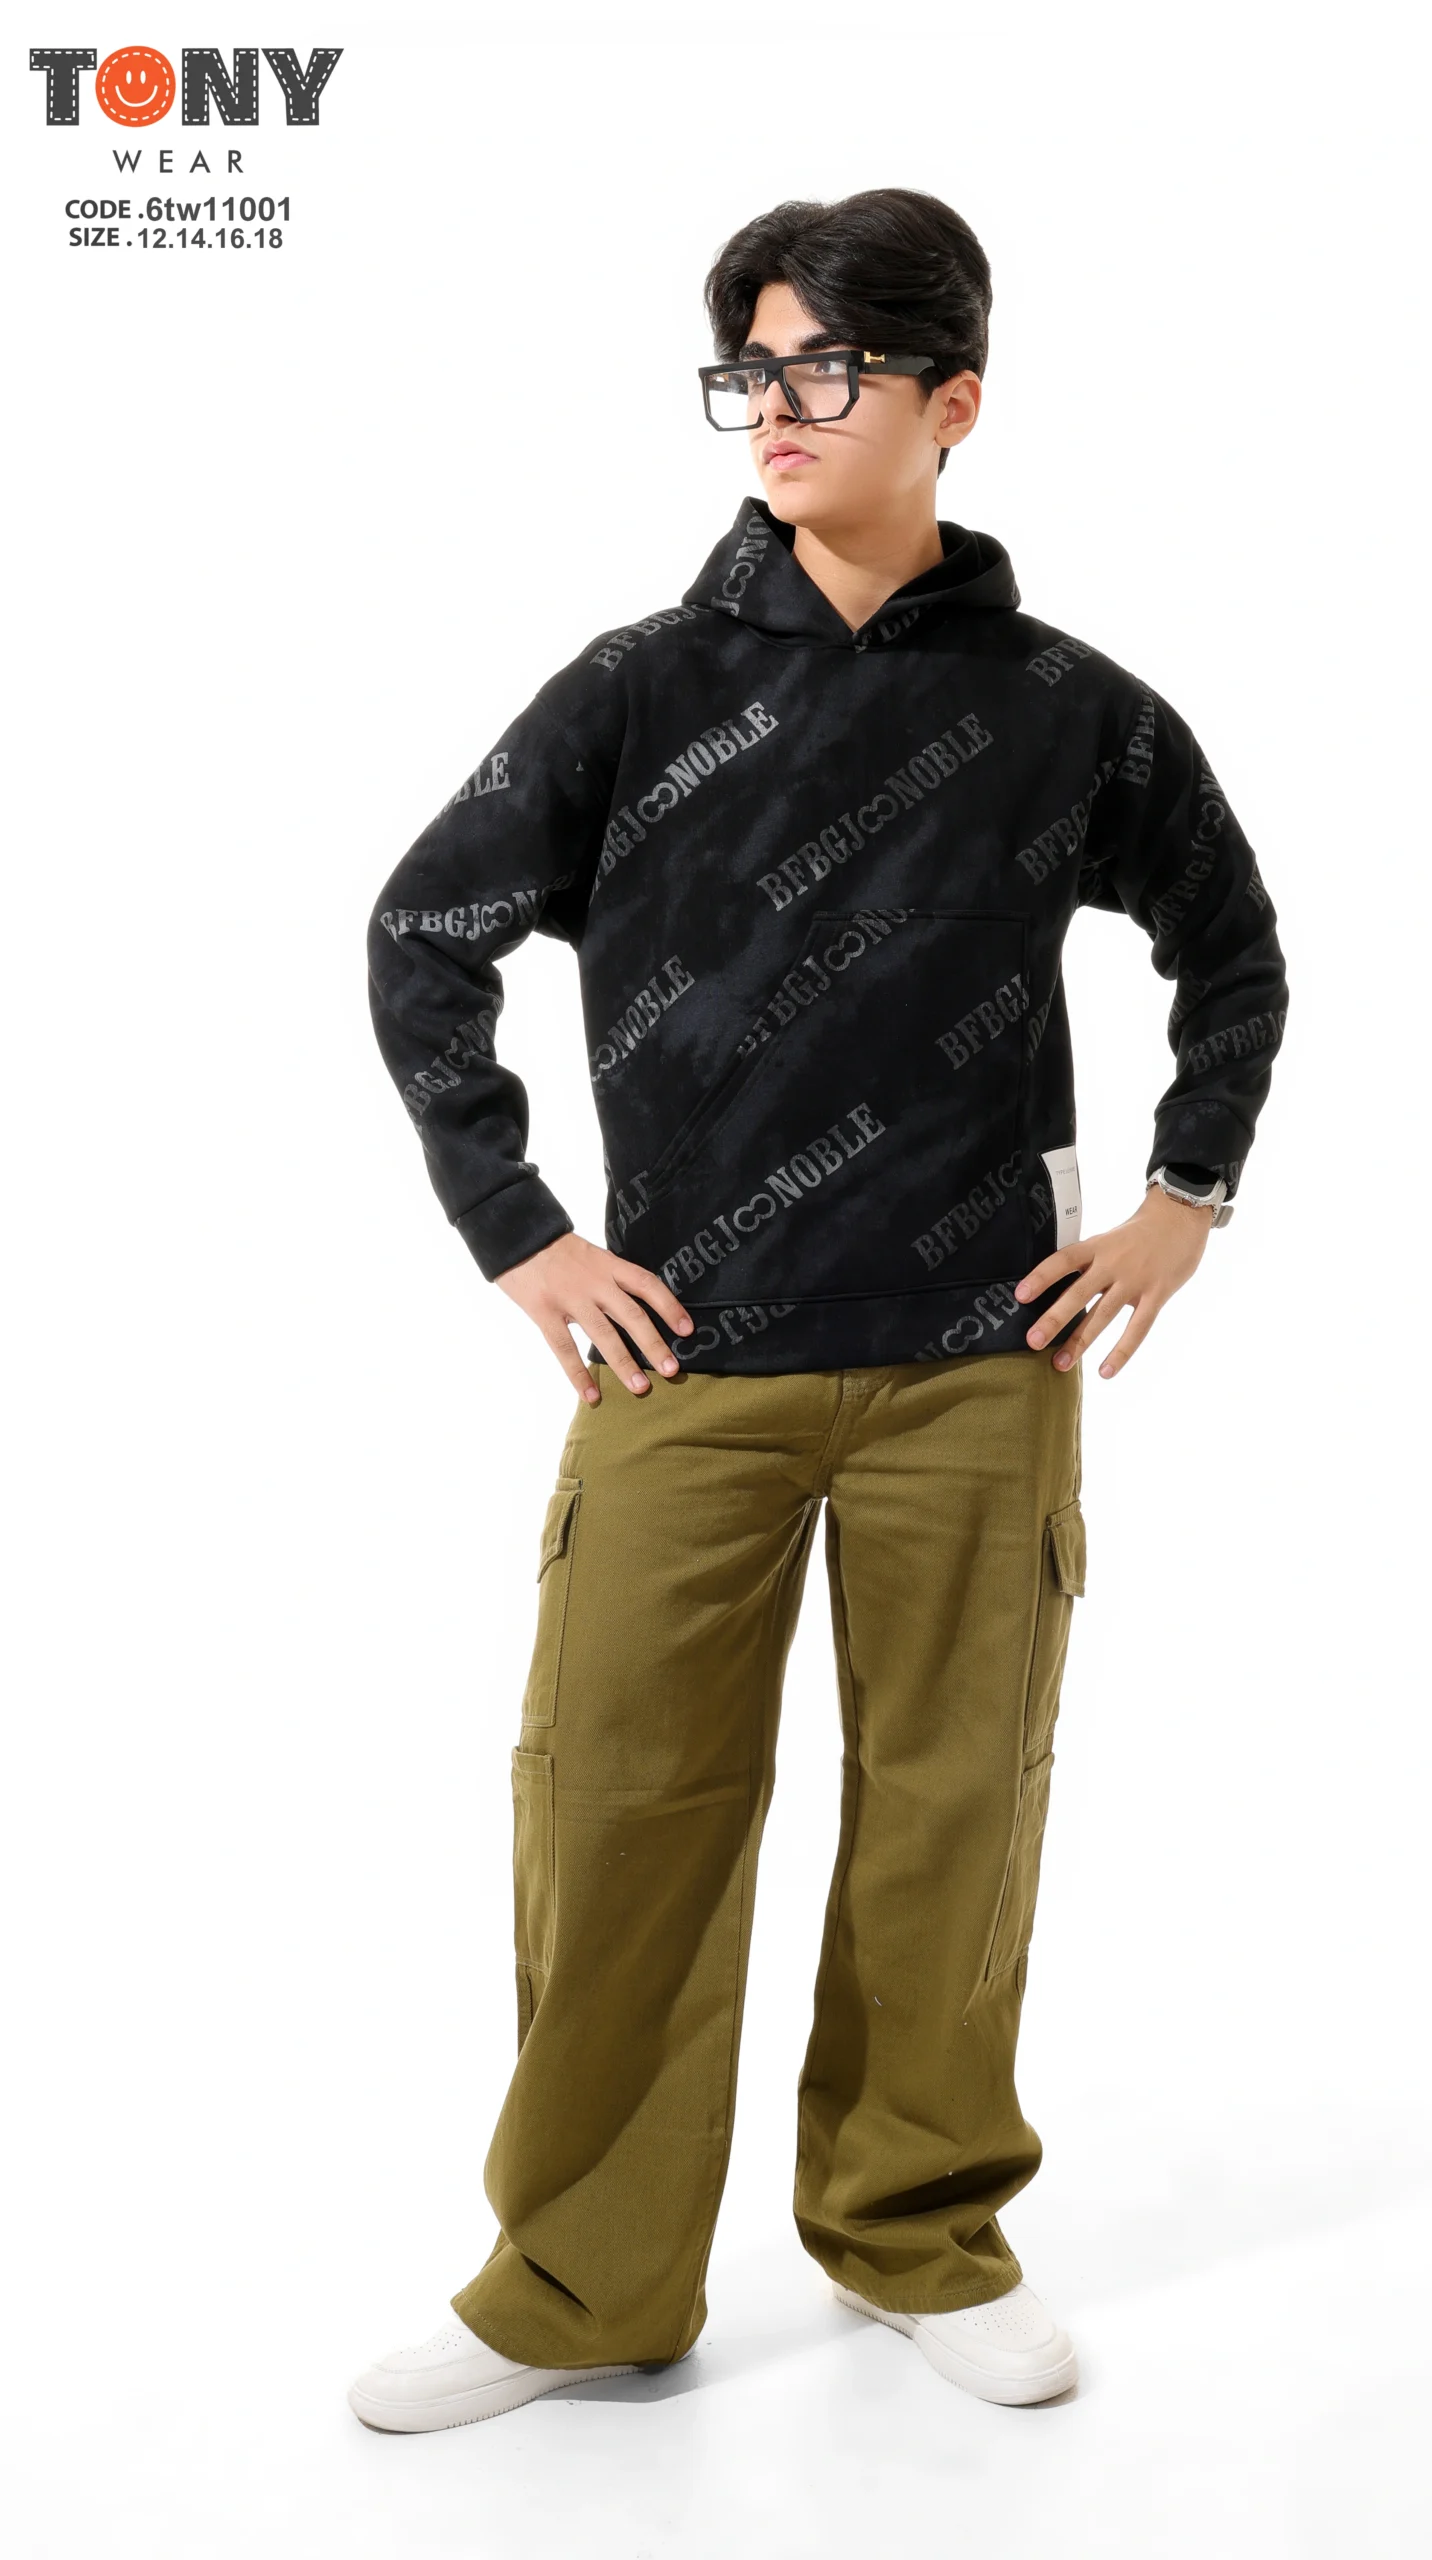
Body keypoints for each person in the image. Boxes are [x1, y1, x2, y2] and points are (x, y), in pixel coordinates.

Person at [348, 186, 1287, 2432]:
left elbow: (1232, 949)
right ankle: (577, 2281)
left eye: (823, 369)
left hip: (981, 1364)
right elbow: (422, 935)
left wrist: (1183, 1197)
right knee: (617, 1808)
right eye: (749, 371)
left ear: (953, 402)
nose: (773, 409)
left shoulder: (1063, 712)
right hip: (683, 1358)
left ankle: (918, 2229)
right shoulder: (636, 691)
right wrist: (521, 1232)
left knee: (955, 1808)